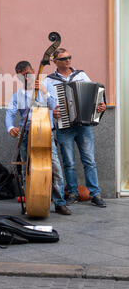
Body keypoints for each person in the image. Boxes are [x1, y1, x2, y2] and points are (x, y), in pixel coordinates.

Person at [5, 60, 71, 215]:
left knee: (54, 168)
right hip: (26, 134)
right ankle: (30, 201)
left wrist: (44, 91)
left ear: (33, 71)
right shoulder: (17, 95)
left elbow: (55, 105)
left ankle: (59, 203)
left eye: (28, 74)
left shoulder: (45, 87)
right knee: (26, 170)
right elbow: (9, 113)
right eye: (22, 76)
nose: (26, 78)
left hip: (45, 133)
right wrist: (10, 127)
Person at [47, 48, 107, 208]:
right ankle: (72, 193)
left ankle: (95, 194)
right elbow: (43, 104)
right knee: (69, 162)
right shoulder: (49, 81)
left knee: (89, 160)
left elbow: (95, 95)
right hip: (64, 126)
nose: (68, 60)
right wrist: (51, 112)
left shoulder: (81, 75)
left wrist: (100, 106)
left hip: (84, 125)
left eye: (69, 57)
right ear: (55, 62)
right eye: (64, 58)